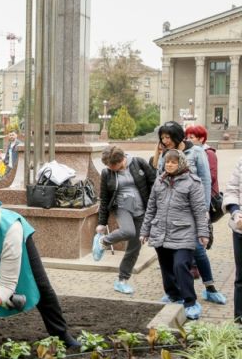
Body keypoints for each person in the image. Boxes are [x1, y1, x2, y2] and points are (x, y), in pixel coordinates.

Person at [0, 200, 81, 352]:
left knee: (41, 285)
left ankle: (62, 335)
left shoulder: (11, 232)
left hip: (14, 241)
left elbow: (8, 284)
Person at [153, 122, 226, 305]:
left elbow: (205, 180)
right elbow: (159, 180)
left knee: (198, 249)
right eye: (162, 138)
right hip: (171, 211)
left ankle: (210, 288)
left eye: (168, 137)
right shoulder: (165, 154)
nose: (164, 141)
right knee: (170, 252)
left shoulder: (196, 152)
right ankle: (174, 293)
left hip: (193, 209)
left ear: (178, 136)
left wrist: (204, 210)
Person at [140, 149, 210, 320]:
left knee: (180, 265)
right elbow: (151, 208)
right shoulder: (160, 180)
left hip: (184, 231)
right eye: (167, 162)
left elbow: (200, 210)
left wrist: (203, 233)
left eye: (173, 162)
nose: (169, 164)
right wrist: (145, 230)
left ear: (181, 163)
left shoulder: (193, 182)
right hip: (161, 232)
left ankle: (190, 301)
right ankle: (173, 295)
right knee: (166, 267)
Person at [93, 146, 156, 294]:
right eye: (108, 166)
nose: (111, 168)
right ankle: (103, 241)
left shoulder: (138, 163)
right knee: (128, 231)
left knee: (135, 248)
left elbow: (153, 182)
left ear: (122, 159)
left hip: (141, 209)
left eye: (113, 165)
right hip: (122, 207)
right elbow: (104, 198)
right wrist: (102, 223)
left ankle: (122, 281)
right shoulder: (107, 173)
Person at [222, 155, 242, 324]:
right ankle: (239, 322)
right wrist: (236, 213)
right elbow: (232, 191)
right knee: (241, 278)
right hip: (241, 229)